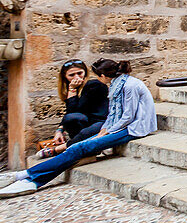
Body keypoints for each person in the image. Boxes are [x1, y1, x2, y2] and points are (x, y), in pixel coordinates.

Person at [0, 59, 157, 198]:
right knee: (77, 147)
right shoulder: (117, 85)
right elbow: (114, 112)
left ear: (103, 76)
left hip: (135, 128)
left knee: (80, 147)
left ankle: (29, 178)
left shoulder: (130, 86)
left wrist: (108, 131)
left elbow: (128, 116)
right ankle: (27, 177)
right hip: (121, 126)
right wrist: (105, 129)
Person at [39, 60, 110, 158]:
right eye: (72, 75)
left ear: (85, 72)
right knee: (71, 119)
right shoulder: (75, 89)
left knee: (85, 131)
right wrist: (59, 130)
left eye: (80, 73)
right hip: (88, 121)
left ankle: (60, 149)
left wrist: (72, 89)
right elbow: (71, 115)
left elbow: (77, 110)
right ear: (65, 77)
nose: (77, 77)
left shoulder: (93, 84)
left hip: (102, 122)